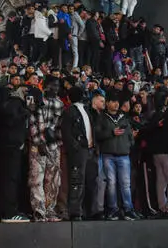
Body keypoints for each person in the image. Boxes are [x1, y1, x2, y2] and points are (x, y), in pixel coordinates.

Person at [97, 93, 140, 221]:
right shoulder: (102, 118)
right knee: (111, 183)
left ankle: (128, 209)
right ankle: (113, 210)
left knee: (126, 184)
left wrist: (129, 144)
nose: (116, 104)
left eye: (117, 102)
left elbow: (130, 136)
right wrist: (111, 132)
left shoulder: (124, 118)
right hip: (108, 155)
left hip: (123, 155)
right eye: (113, 101)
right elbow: (97, 134)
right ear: (107, 103)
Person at [60, 87, 100, 221]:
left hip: (91, 149)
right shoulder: (69, 111)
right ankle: (75, 212)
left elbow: (93, 129)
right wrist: (75, 147)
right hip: (80, 151)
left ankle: (91, 210)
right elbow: (66, 133)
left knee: (92, 181)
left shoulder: (87, 110)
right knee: (77, 181)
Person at [0, 78, 32, 223]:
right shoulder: (12, 103)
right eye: (24, 89)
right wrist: (25, 112)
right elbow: (11, 120)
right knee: (10, 179)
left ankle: (10, 210)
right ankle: (9, 213)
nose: (27, 92)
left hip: (12, 146)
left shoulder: (14, 103)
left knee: (12, 179)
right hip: (10, 146)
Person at [28, 76, 65, 221]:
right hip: (37, 146)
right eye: (53, 85)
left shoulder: (60, 103)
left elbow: (60, 126)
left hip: (54, 146)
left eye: (57, 86)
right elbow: (31, 122)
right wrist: (39, 142)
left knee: (54, 180)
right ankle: (39, 211)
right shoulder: (35, 98)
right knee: (36, 179)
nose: (55, 89)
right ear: (45, 85)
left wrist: (56, 139)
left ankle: (50, 211)